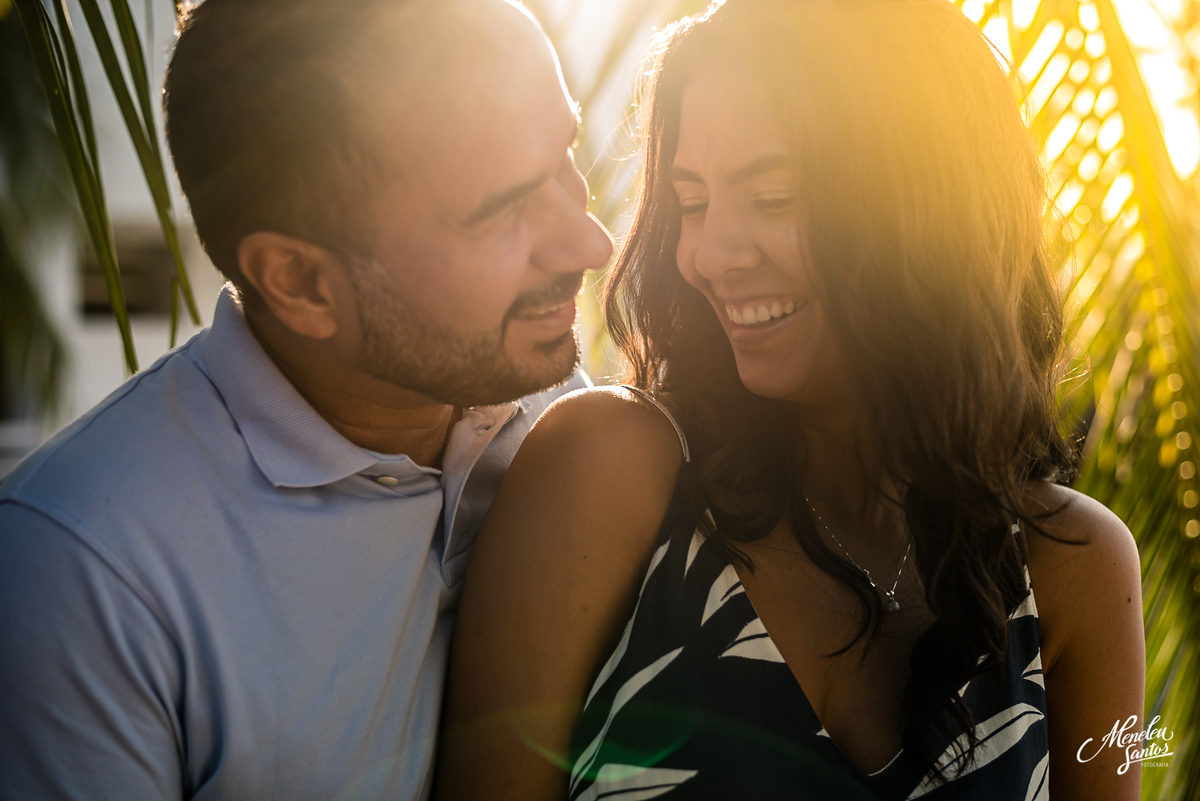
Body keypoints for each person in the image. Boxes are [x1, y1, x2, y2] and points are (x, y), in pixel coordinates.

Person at [436, 1, 1145, 799]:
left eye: (771, 198)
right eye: (693, 202)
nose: (710, 255)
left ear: (925, 212)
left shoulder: (1074, 571)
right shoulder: (609, 472)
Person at [0, 0, 612, 797]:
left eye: (566, 155)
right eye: (501, 213)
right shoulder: (85, 572)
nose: (589, 244)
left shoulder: (548, 398)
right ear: (301, 283)